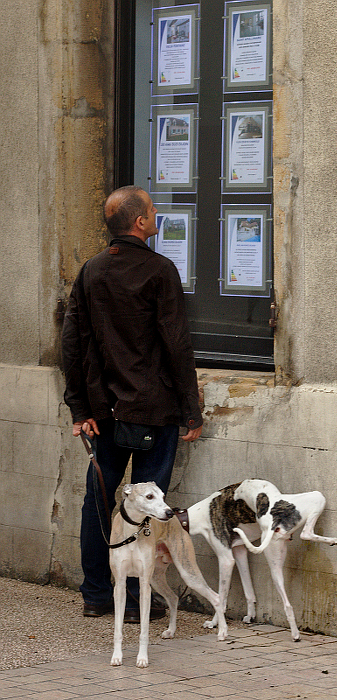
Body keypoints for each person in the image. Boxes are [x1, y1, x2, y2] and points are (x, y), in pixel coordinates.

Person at [61, 185, 203, 621]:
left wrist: (80, 408)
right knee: (149, 507)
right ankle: (140, 600)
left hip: (104, 412)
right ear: (140, 222)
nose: (157, 213)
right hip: (154, 408)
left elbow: (72, 341)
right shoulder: (160, 271)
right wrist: (190, 408)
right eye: (153, 210)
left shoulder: (91, 271)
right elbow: (175, 343)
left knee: (99, 500)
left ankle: (97, 594)